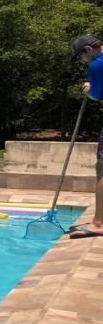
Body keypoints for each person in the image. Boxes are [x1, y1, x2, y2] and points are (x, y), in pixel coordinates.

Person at [70, 34, 103, 237]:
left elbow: (96, 96)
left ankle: (98, 224)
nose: (83, 60)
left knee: (102, 167)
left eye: (81, 56)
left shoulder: (98, 65)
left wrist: (89, 90)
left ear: (89, 50)